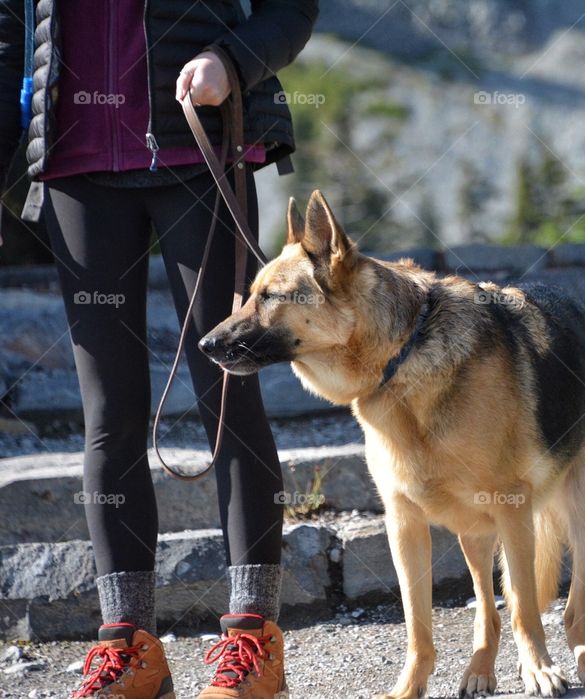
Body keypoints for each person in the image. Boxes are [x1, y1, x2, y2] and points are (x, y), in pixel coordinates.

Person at [15, 1, 318, 697]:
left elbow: (292, 7)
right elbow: (10, 33)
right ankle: (129, 650)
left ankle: (253, 640)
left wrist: (231, 61)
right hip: (75, 162)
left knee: (227, 392)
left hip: (197, 145)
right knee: (108, 412)